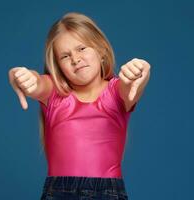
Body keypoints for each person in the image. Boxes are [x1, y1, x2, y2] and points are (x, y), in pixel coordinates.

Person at [8, 12, 150, 200]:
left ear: (101, 50)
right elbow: (37, 83)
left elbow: (130, 86)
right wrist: (21, 76)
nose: (75, 59)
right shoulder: (54, 93)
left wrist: (140, 72)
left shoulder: (116, 91)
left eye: (82, 48)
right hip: (58, 192)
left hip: (108, 193)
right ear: (58, 67)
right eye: (65, 56)